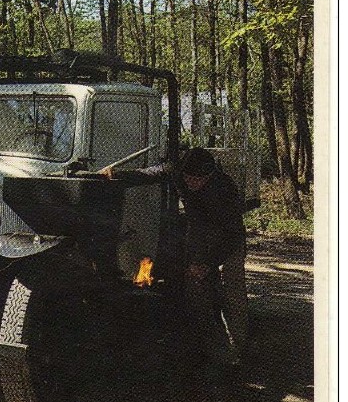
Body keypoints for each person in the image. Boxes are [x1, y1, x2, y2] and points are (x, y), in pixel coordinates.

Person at [101, 147, 248, 369]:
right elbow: (149, 174)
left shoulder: (224, 189)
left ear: (209, 176)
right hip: (199, 233)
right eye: (188, 177)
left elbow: (231, 235)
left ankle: (239, 348)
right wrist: (118, 174)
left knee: (232, 292)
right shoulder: (177, 170)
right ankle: (211, 348)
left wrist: (208, 264)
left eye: (198, 179)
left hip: (227, 241)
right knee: (197, 291)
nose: (191, 183)